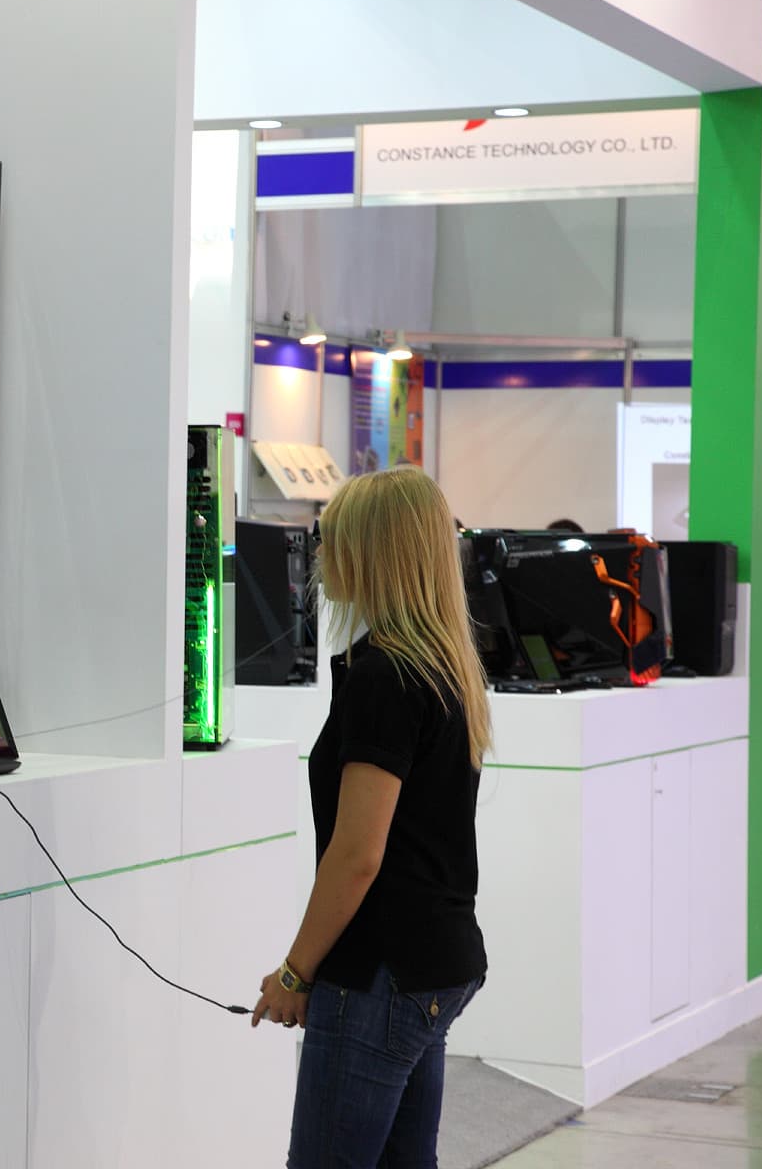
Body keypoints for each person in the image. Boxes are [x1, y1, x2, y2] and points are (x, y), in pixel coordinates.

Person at [253, 466, 491, 1168]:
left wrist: (295, 972)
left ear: (372, 552)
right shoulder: (443, 668)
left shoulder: (385, 678)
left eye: (333, 539)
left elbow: (358, 855)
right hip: (434, 963)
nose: (320, 556)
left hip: (381, 973)